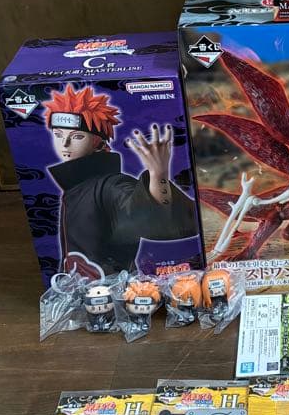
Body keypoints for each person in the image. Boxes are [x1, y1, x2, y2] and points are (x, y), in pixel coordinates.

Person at [43, 84, 197, 278]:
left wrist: (158, 176)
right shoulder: (74, 187)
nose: (65, 144)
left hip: (113, 289)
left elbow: (147, 217)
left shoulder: (110, 185)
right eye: (58, 135)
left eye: (77, 136)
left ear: (98, 142)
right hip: (76, 288)